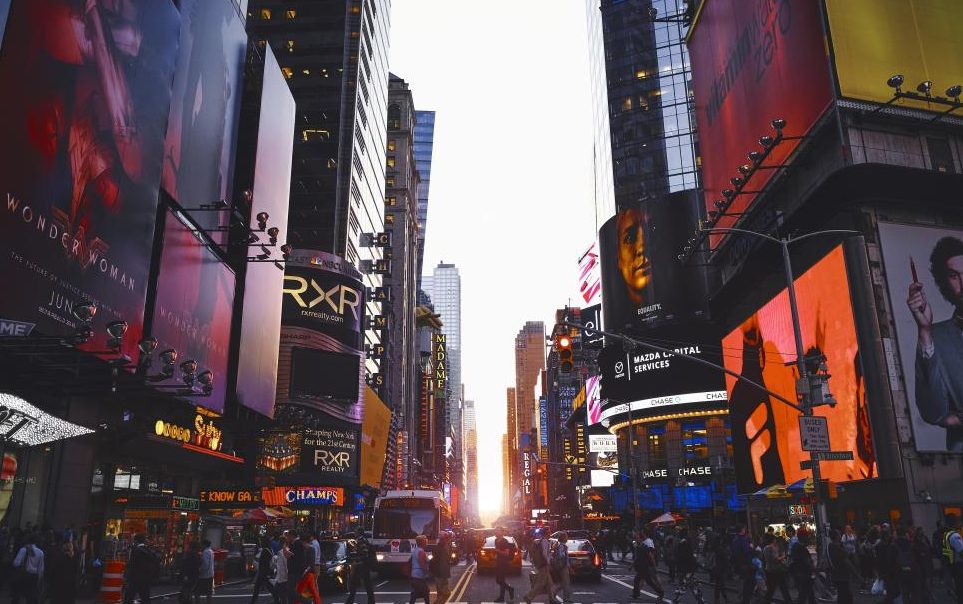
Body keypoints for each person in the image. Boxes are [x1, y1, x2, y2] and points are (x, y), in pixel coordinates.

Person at [907, 236, 963, 451]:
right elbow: (933, 412)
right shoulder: (937, 336)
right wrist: (925, 330)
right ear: (944, 284)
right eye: (954, 276)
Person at [632, 528, 664, 601]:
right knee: (647, 581)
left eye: (637, 538)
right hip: (642, 567)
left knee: (642, 581)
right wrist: (632, 565)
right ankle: (636, 594)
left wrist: (654, 565)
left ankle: (636, 594)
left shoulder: (644, 546)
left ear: (640, 538)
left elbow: (651, 556)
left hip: (644, 567)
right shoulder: (640, 546)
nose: (636, 539)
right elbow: (637, 558)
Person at [522, 530, 555, 604]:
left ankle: (551, 599)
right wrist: (548, 563)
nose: (550, 534)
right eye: (549, 532)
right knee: (541, 583)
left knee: (549, 583)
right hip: (544, 564)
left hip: (540, 563)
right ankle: (528, 596)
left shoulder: (538, 541)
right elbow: (544, 554)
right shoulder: (545, 541)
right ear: (546, 534)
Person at [11, 534, 44, 604]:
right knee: (30, 598)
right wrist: (39, 580)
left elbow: (16, 563)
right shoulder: (41, 552)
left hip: (23, 575)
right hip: (33, 577)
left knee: (17, 596)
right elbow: (41, 569)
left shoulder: (23, 549)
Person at [125, 534, 157, 604]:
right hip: (145, 579)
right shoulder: (149, 551)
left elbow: (132, 565)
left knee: (129, 598)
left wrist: (128, 578)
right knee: (145, 599)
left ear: (136, 541)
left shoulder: (135, 550)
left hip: (135, 579)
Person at [828, 528, 858, 604]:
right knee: (846, 595)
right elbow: (847, 562)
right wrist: (856, 574)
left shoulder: (829, 547)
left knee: (842, 595)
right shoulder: (838, 548)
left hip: (835, 574)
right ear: (836, 536)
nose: (840, 535)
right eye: (838, 534)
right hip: (842, 575)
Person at [345, 533, 376, 604]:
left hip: (361, 565)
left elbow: (364, 553)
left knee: (354, 584)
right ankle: (371, 601)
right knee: (367, 585)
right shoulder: (363, 540)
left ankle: (350, 601)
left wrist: (358, 560)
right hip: (363, 565)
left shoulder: (361, 541)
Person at [761, 533, 792, 604]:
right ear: (772, 540)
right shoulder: (771, 548)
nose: (776, 540)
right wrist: (783, 556)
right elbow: (776, 559)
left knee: (772, 588)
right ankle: (788, 601)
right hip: (777, 570)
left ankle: (766, 600)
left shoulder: (765, 548)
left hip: (769, 570)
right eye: (775, 539)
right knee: (782, 587)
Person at [790, 529, 816, 604]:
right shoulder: (800, 547)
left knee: (808, 593)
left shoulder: (795, 546)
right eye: (806, 536)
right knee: (804, 593)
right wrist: (813, 569)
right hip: (803, 573)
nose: (808, 537)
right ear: (802, 536)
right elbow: (806, 561)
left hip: (799, 573)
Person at [730, 525, 754, 604]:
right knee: (749, 582)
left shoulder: (734, 539)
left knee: (745, 581)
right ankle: (746, 600)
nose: (745, 530)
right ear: (742, 530)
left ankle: (744, 599)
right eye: (744, 529)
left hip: (739, 563)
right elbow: (746, 551)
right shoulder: (743, 539)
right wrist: (751, 546)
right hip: (746, 563)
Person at [943, 515, 963, 604]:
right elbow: (961, 550)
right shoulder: (955, 535)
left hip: (952, 564)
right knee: (961, 586)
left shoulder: (946, 534)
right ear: (954, 523)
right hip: (959, 564)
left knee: (958, 585)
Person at [494, 527, 516, 602]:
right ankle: (502, 596)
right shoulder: (496, 540)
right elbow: (497, 552)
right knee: (499, 580)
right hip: (498, 563)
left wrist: (498, 551)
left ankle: (509, 590)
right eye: (495, 531)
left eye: (497, 531)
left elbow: (507, 553)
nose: (496, 532)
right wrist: (495, 556)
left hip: (504, 563)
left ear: (502, 532)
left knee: (500, 580)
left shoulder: (504, 541)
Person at [251, 537, 275, 603]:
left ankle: (277, 599)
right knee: (268, 587)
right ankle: (277, 599)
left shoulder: (265, 551)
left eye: (262, 541)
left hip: (263, 572)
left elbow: (263, 562)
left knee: (258, 588)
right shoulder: (270, 549)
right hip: (266, 572)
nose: (261, 543)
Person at [409, 534, 431, 604]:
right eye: (425, 541)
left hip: (415, 575)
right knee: (424, 592)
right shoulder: (421, 552)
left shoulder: (415, 550)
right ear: (422, 542)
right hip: (419, 576)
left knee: (422, 592)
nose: (426, 542)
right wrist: (427, 572)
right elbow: (422, 564)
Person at [432, 532, 453, 601]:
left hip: (442, 573)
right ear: (442, 539)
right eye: (446, 538)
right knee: (443, 592)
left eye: (447, 538)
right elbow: (438, 561)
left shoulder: (444, 547)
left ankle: (439, 600)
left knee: (442, 592)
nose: (447, 540)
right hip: (440, 573)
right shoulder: (439, 548)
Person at [711, 532, 731, 604]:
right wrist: (728, 566)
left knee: (720, 584)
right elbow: (725, 559)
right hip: (721, 569)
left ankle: (724, 599)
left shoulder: (716, 549)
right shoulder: (721, 549)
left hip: (716, 569)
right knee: (719, 585)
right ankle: (718, 599)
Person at [271, 532, 290, 604]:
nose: (278, 544)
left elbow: (286, 565)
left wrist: (288, 577)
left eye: (280, 542)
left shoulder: (284, 552)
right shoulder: (281, 552)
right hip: (280, 577)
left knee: (282, 595)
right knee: (279, 593)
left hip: (284, 578)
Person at [195, 539, 215, 604]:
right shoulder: (211, 551)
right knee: (209, 593)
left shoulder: (205, 552)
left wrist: (201, 571)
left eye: (202, 544)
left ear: (205, 545)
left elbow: (205, 564)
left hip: (204, 576)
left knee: (197, 592)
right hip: (210, 574)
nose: (201, 546)